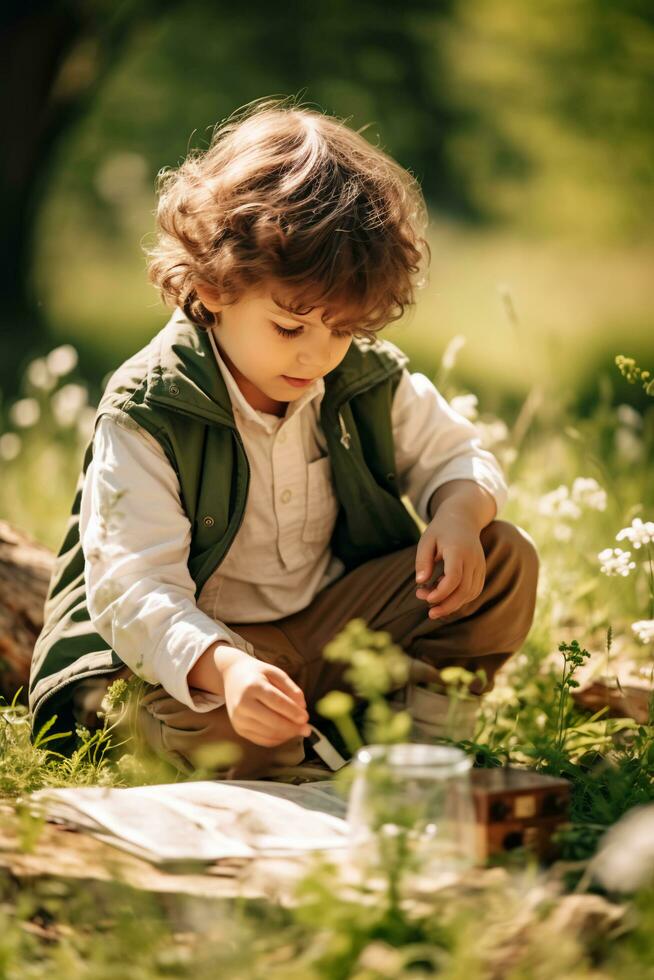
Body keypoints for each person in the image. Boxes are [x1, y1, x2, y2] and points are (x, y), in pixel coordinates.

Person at [28, 98, 539, 779]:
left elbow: (459, 454)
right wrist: (229, 669)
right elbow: (134, 592)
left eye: (343, 329)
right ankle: (304, 753)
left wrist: (457, 512)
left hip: (334, 630)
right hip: (198, 661)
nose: (317, 356)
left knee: (501, 556)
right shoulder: (151, 409)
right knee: (228, 737)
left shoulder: (362, 377)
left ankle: (415, 752)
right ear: (214, 286)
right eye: (291, 327)